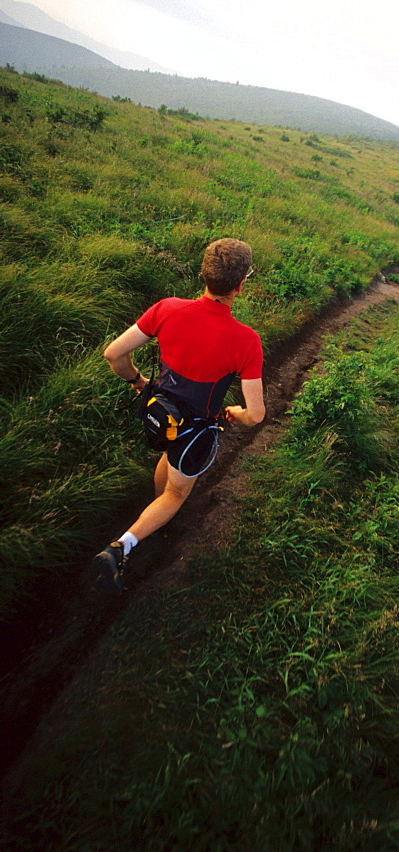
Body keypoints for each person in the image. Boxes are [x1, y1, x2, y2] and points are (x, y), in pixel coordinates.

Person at [90, 237, 265, 595]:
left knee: (167, 470)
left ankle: (155, 516)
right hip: (194, 433)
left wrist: (139, 382)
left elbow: (114, 354)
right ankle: (120, 547)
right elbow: (257, 414)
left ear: (205, 273)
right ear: (241, 285)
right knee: (176, 493)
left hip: (160, 414)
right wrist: (238, 414)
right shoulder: (246, 341)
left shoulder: (168, 308)